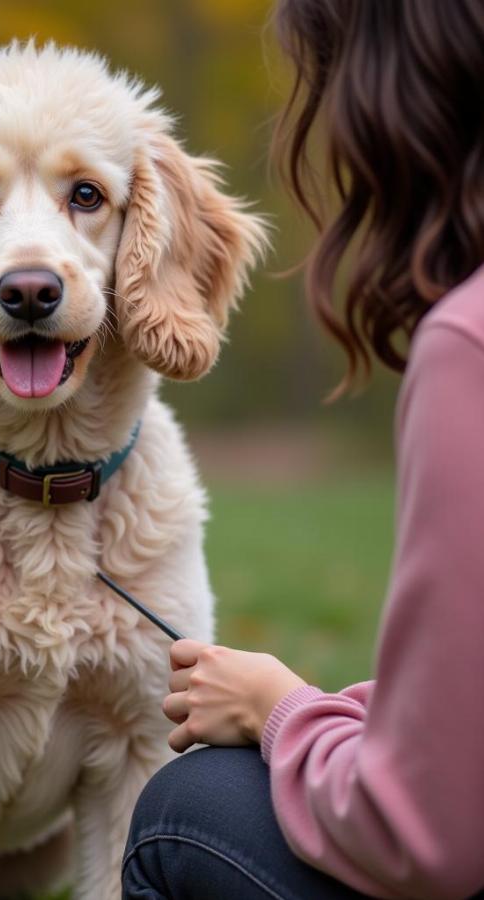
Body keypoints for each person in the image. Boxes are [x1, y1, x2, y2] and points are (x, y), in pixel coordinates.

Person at [122, 1, 484, 898]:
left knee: (187, 805)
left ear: (390, 100)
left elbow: (430, 839)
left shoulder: (468, 343)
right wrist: (355, 715)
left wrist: (283, 712)